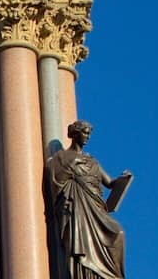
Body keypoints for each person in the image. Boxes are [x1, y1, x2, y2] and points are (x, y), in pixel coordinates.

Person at [45, 120, 131, 279]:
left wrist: (124, 179)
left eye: (89, 133)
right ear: (75, 134)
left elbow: (110, 183)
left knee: (118, 233)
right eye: (85, 132)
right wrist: (70, 166)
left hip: (96, 208)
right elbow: (55, 179)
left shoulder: (92, 162)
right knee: (81, 244)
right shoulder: (62, 158)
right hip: (78, 209)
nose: (88, 137)